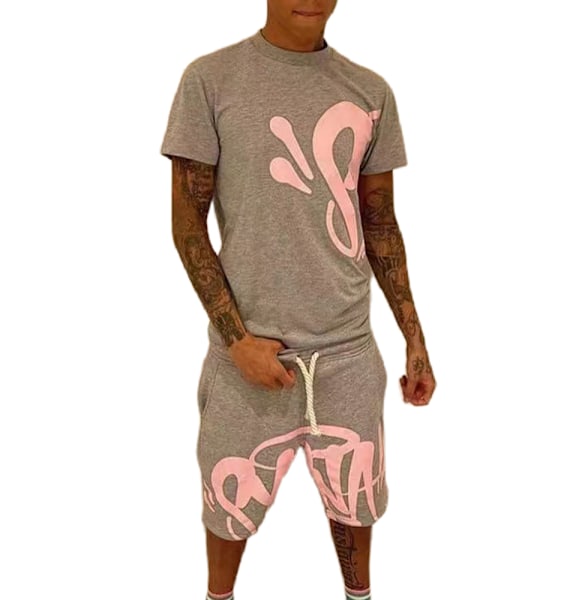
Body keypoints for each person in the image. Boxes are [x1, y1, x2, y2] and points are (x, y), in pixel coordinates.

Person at [160, 2, 436, 599]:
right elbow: (187, 227)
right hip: (251, 360)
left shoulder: (370, 92)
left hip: (347, 355)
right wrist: (238, 343)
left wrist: (414, 337)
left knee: (357, 502)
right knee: (227, 510)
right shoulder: (210, 80)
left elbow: (380, 224)